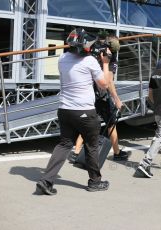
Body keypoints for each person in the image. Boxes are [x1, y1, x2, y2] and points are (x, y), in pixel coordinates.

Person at [36, 28, 111, 195]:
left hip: (65, 109)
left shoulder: (62, 58)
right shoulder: (90, 61)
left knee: (64, 144)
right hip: (84, 111)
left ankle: (46, 180)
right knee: (91, 146)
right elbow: (104, 84)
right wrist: (105, 63)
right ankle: (95, 182)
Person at [69, 35, 128, 163]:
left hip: (90, 92)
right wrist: (116, 99)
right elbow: (109, 81)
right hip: (102, 95)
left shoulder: (97, 49)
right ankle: (117, 152)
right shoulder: (111, 55)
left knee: (88, 122)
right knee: (111, 122)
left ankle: (76, 151)